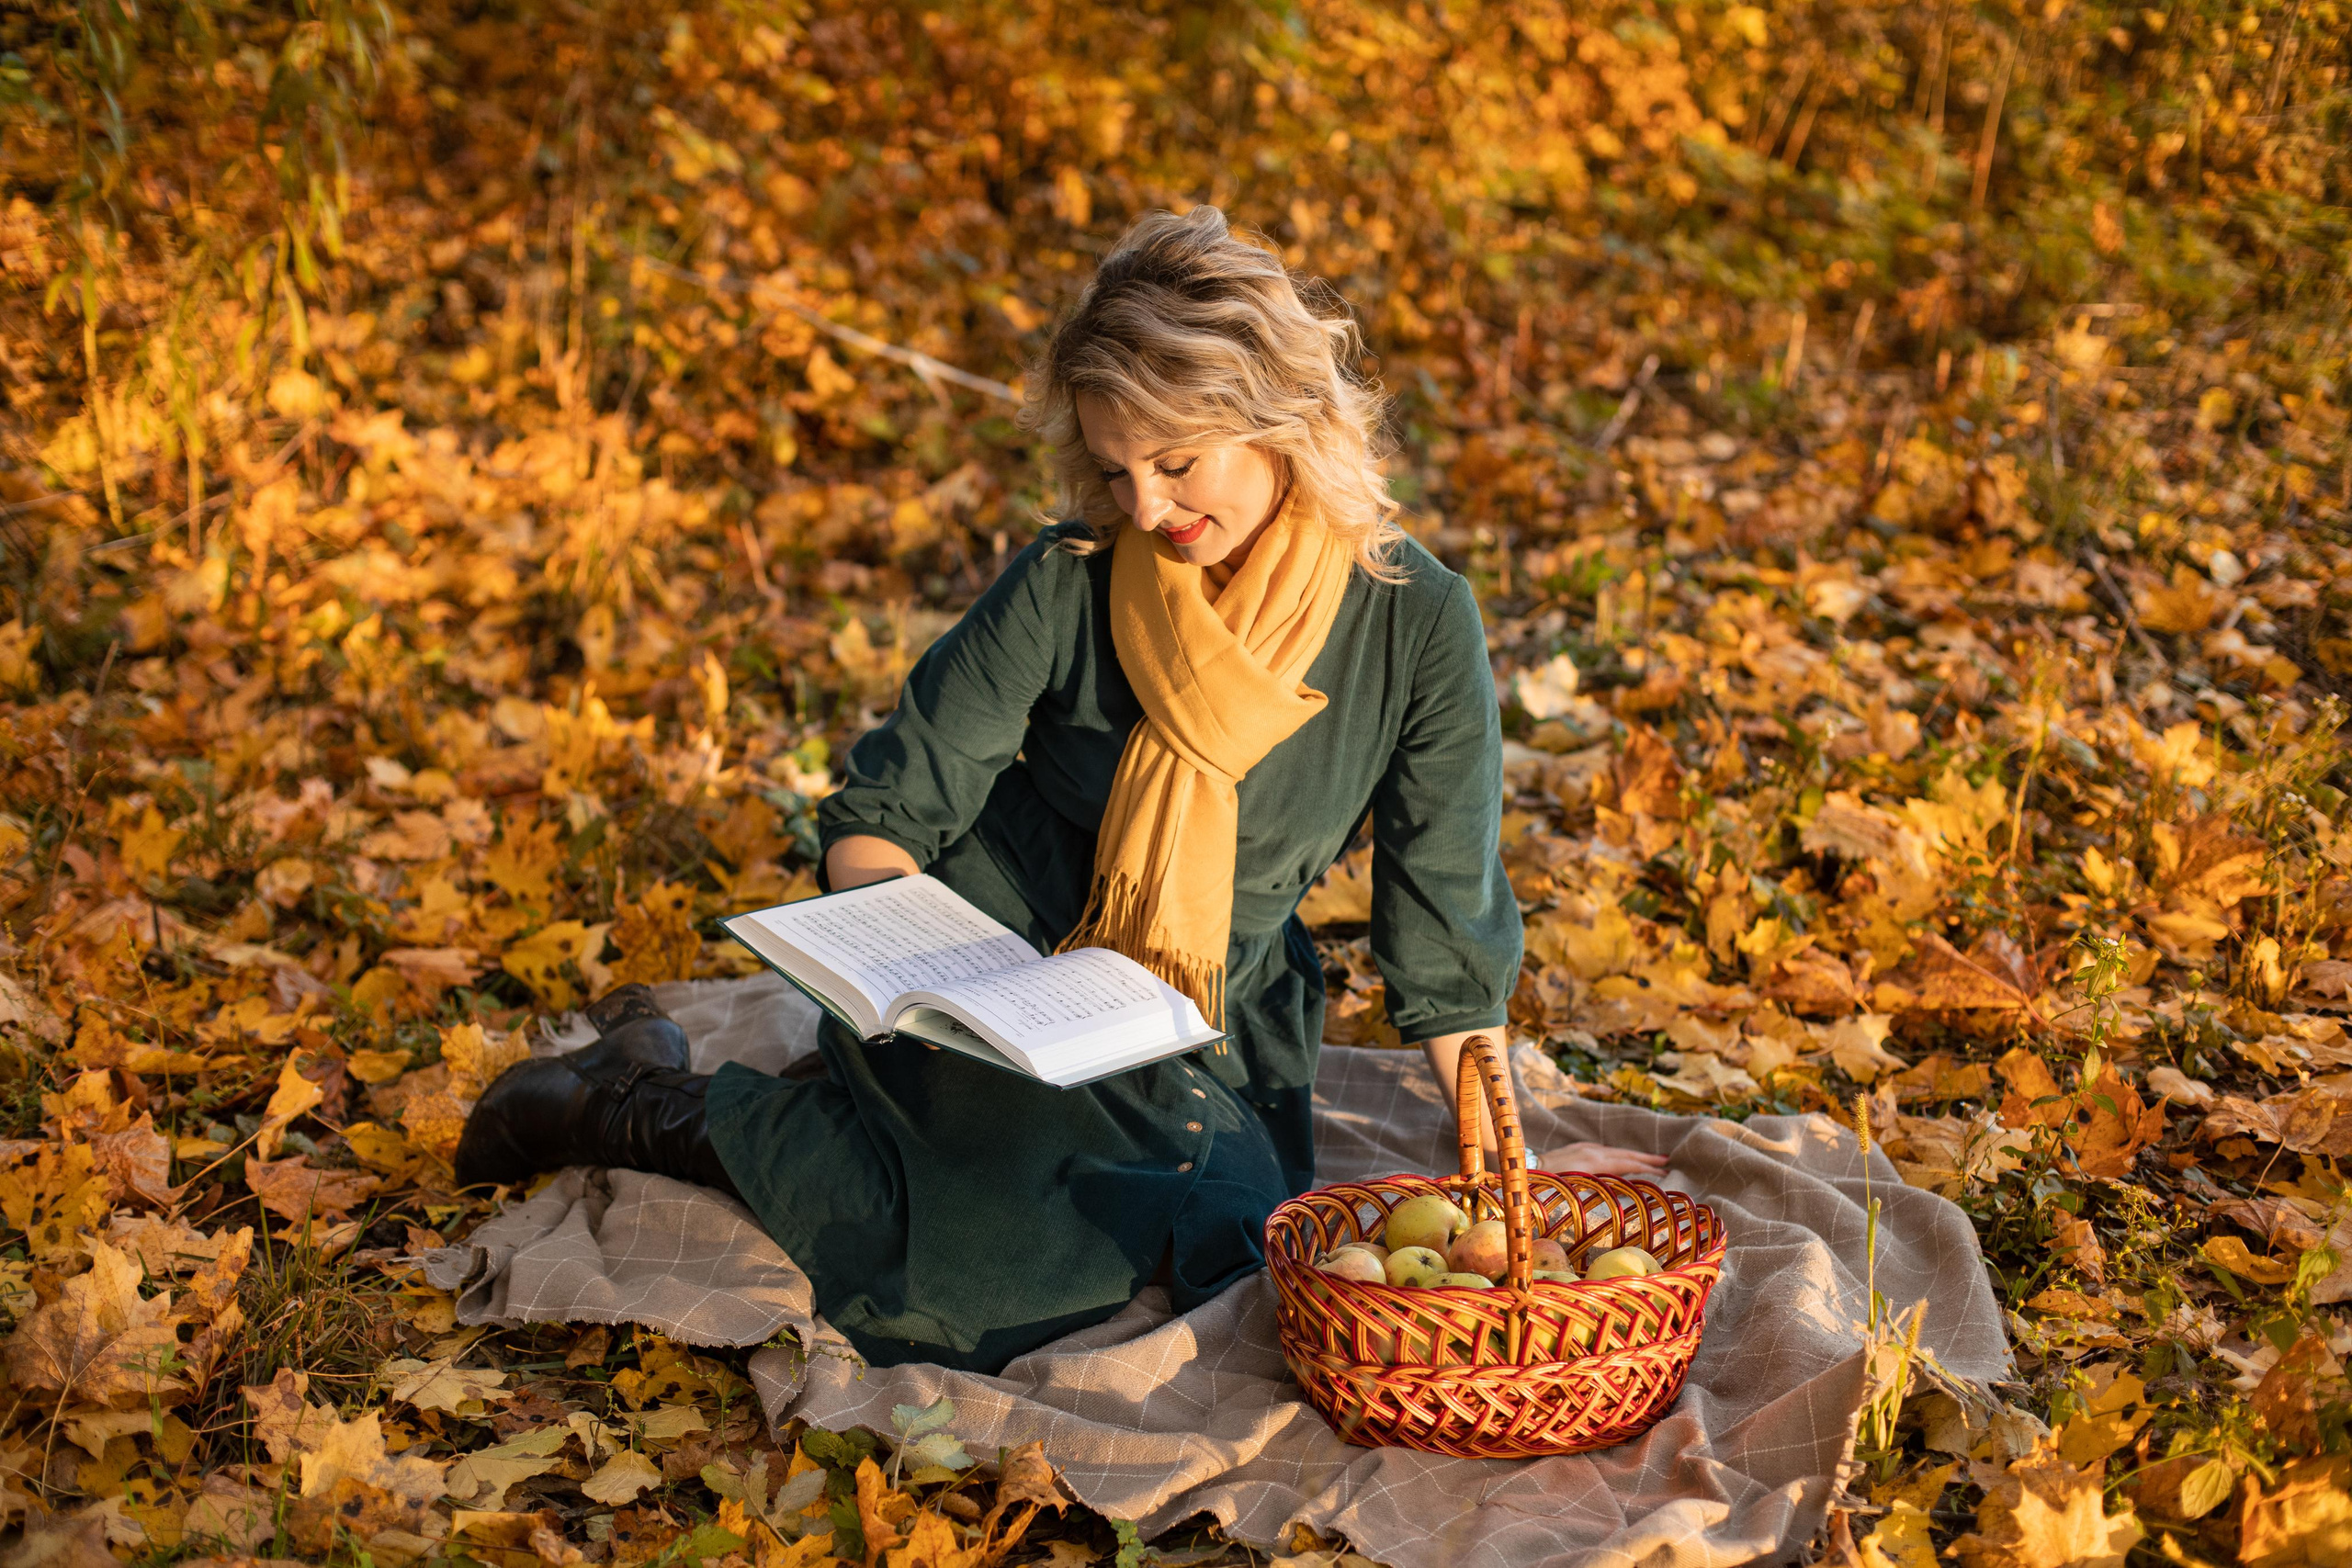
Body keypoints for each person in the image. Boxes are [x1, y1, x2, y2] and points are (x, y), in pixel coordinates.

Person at [454, 206, 1665, 1374]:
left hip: (1210, 1004)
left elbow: (1445, 931)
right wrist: (921, 982)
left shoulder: (1416, 623)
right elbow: (883, 815)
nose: (1147, 507)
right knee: (1001, 1281)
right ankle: (645, 1113)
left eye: (1177, 463)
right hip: (1009, 960)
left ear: (1281, 422)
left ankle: (717, 1102)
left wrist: (1500, 1182)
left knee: (1234, 1239)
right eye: (1115, 466)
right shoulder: (1073, 577)